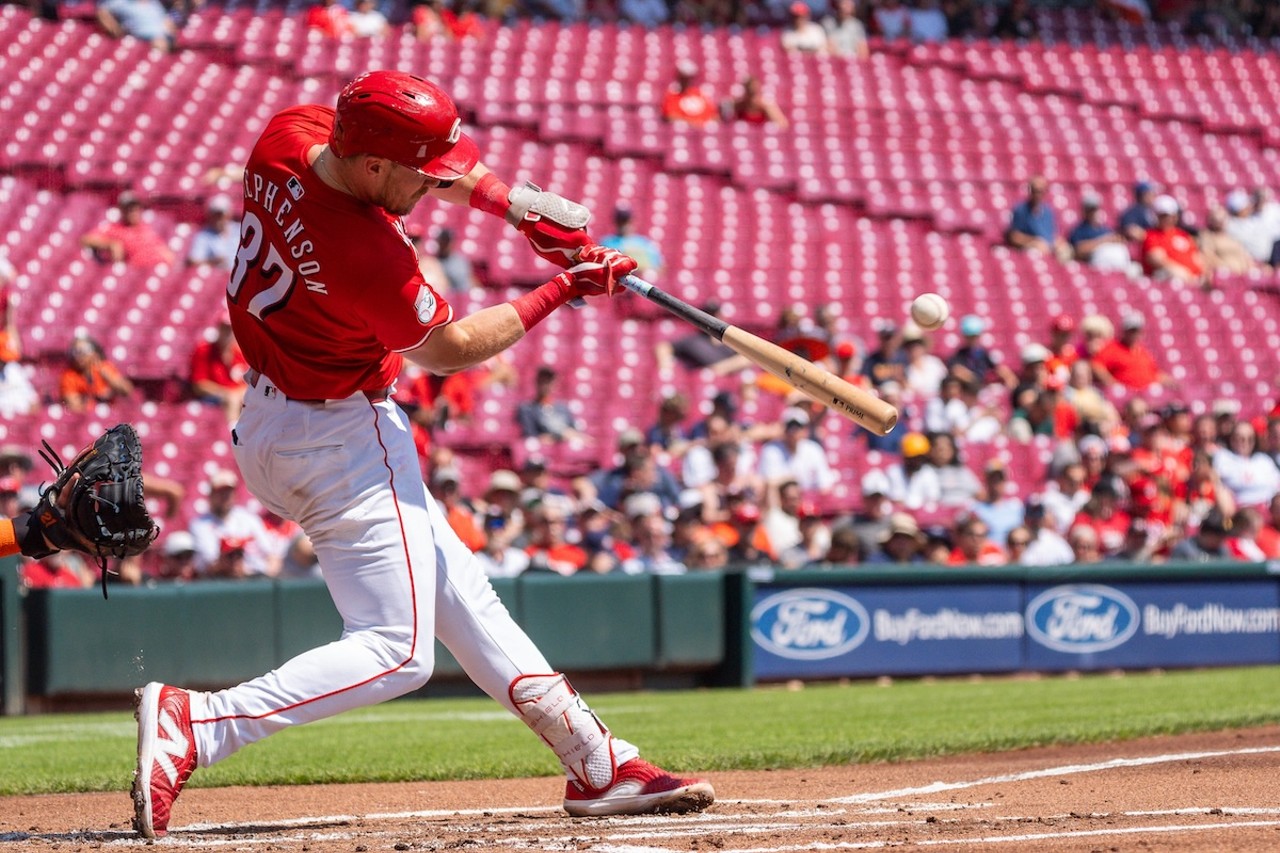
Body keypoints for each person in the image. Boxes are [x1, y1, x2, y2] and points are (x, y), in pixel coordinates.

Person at [130, 70, 713, 840]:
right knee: (397, 651)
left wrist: (516, 209)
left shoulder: (289, 137)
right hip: (338, 437)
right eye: (420, 172)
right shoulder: (363, 248)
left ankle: (596, 761)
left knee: (466, 597)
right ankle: (197, 724)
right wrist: (564, 286)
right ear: (373, 165)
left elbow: (432, 164)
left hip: (279, 420)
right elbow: (450, 347)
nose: (434, 182)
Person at [81, 192, 175, 267]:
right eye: (129, 209)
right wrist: (111, 243)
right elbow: (86, 239)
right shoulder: (115, 228)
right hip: (139, 272)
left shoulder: (145, 227)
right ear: (122, 211)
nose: (133, 212)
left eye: (135, 209)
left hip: (161, 269)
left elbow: (162, 248)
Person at [758, 407, 837, 492]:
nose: (794, 431)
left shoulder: (814, 449)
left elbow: (824, 483)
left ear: (805, 430)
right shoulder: (771, 450)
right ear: (784, 429)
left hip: (808, 500)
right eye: (790, 426)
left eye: (798, 426)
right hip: (781, 499)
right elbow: (769, 483)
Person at [1091, 312, 1172, 391]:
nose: (1135, 334)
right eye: (1132, 331)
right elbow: (1097, 366)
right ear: (1125, 331)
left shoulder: (1143, 352)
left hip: (1148, 392)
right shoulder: (1113, 348)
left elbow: (1155, 373)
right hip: (1128, 396)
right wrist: (1113, 384)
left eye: (1137, 331)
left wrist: (1168, 381)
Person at [188, 315, 249, 421]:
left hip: (239, 394)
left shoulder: (243, 352)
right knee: (232, 400)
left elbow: (250, 383)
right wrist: (227, 392)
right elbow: (199, 385)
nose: (229, 333)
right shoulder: (205, 351)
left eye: (232, 329)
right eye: (225, 329)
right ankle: (233, 434)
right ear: (219, 329)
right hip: (213, 396)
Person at [1142, 194, 1205, 285]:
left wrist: (1204, 274)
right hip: (1174, 279)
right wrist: (1181, 272)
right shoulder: (1151, 235)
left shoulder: (1183, 235)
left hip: (1194, 279)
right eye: (1164, 216)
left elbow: (1196, 257)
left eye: (1171, 215)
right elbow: (1156, 258)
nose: (1169, 219)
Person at [59, 334, 133, 412]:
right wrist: (97, 398)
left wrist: (107, 376)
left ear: (94, 353)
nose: (80, 355)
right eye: (75, 352)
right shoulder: (68, 376)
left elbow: (126, 390)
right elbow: (74, 406)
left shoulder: (105, 367)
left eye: (84, 350)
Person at [1067, 192, 1135, 274]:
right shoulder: (1079, 230)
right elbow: (1079, 250)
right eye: (1090, 209)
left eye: (1095, 209)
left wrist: (1117, 240)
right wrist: (1104, 240)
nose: (1093, 212)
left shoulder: (1106, 229)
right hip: (1098, 266)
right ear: (1084, 210)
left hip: (1120, 265)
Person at [516, 365, 587, 443]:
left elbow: (574, 432)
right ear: (537, 382)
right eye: (542, 381)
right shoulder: (527, 409)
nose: (545, 385)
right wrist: (560, 436)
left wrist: (568, 435)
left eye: (548, 381)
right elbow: (532, 437)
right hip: (544, 451)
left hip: (567, 448)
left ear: (554, 384)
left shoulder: (562, 408)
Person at [1005, 176, 1068, 259]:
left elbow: (1052, 234)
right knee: (1037, 251)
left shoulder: (1048, 211)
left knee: (1065, 251)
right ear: (1030, 190)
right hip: (1031, 250)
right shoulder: (1020, 210)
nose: (1037, 194)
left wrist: (1057, 242)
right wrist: (1034, 241)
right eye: (1035, 191)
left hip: (1050, 248)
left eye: (1040, 191)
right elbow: (1014, 237)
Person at [600, 205, 664, 281]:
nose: (624, 224)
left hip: (643, 280)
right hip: (620, 281)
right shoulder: (607, 242)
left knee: (650, 275)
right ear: (616, 222)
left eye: (626, 220)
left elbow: (660, 267)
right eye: (621, 221)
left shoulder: (644, 243)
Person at [1198, 205, 1255, 278]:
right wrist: (1228, 268)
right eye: (1217, 219)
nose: (1220, 221)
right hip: (1224, 274)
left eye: (1223, 218)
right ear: (1211, 220)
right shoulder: (1207, 235)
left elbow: (1244, 254)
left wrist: (1250, 267)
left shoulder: (1232, 236)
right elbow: (1208, 256)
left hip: (1242, 274)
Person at [95, 0, 177, 51]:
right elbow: (102, 13)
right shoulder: (118, 2)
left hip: (163, 36)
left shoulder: (154, 4)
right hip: (144, 40)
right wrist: (116, 30)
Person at [186, 195, 241, 269]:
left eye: (220, 215)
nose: (218, 218)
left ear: (228, 215)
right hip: (217, 276)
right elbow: (193, 260)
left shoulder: (240, 230)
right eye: (214, 215)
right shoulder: (203, 236)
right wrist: (213, 262)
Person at [661, 61, 718, 127]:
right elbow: (671, 116)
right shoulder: (672, 95)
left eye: (689, 77)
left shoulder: (699, 94)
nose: (686, 80)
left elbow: (713, 115)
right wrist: (693, 123)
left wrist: (700, 123)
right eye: (683, 77)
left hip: (702, 131)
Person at [725, 76, 789, 129]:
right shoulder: (738, 105)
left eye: (754, 92)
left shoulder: (766, 106)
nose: (752, 97)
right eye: (750, 92)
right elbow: (722, 123)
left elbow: (783, 125)